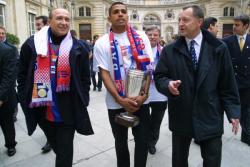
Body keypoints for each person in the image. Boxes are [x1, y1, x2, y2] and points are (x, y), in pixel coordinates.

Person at [154, 5, 241, 167]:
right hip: (181, 115)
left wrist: (233, 111)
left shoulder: (219, 48)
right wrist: (168, 85)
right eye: (179, 19)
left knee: (212, 160)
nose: (180, 23)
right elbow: (159, 77)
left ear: (199, 21)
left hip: (210, 115)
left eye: (185, 20)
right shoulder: (170, 50)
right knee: (179, 161)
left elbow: (227, 83)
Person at [17, 8, 93, 167]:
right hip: (42, 110)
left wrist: (83, 99)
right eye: (59, 18)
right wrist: (25, 98)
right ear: (49, 21)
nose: (64, 22)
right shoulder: (32, 44)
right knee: (60, 149)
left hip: (68, 111)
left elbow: (86, 78)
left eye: (67, 19)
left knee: (64, 155)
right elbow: (22, 74)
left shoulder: (78, 47)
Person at [93, 2, 153, 167]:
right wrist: (120, 100)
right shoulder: (102, 42)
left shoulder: (141, 37)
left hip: (141, 101)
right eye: (116, 12)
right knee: (121, 142)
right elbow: (104, 74)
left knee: (142, 141)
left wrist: (144, 96)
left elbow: (149, 68)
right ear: (109, 17)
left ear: (127, 15)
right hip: (116, 103)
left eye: (123, 11)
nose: (120, 14)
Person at [223, 14, 250, 146]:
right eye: (234, 24)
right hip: (230, 83)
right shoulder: (226, 41)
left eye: (237, 25)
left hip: (247, 84)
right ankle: (215, 134)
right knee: (223, 108)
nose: (234, 27)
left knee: (247, 111)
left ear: (246, 26)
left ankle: (246, 136)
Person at [145, 26, 167, 155]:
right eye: (150, 34)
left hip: (160, 94)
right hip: (144, 93)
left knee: (156, 122)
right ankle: (142, 139)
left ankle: (152, 142)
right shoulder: (139, 51)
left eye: (155, 34)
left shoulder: (165, 51)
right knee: (143, 120)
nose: (152, 37)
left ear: (159, 37)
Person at [0, 42, 18, 156]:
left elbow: (9, 77)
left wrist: (0, 97)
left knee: (7, 124)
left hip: (4, 96)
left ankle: (10, 145)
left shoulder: (8, 50)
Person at [0, 26, 19, 123]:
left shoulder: (12, 48)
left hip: (10, 82)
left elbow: (16, 64)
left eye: (3, 33)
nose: (1, 35)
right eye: (0, 33)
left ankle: (14, 115)